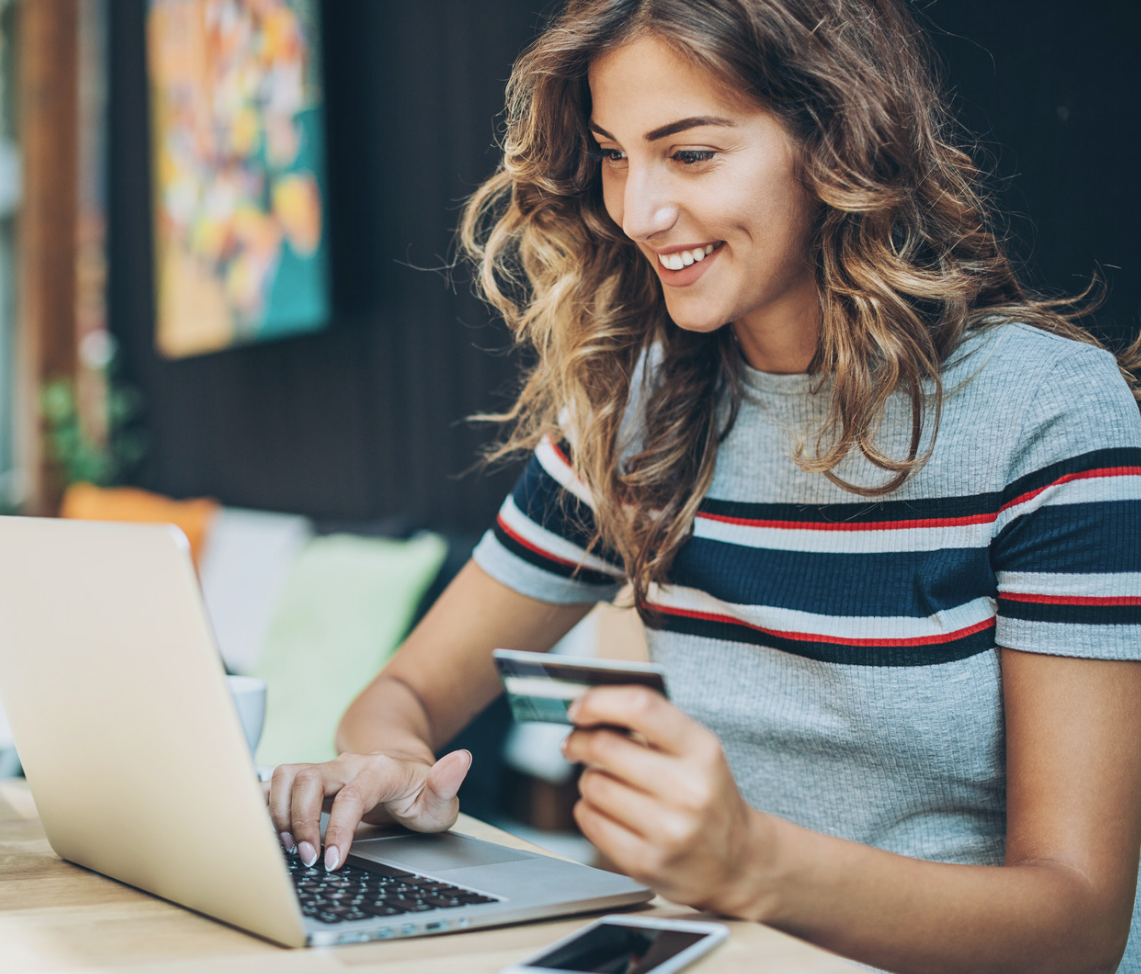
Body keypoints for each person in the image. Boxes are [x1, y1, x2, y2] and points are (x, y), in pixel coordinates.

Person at [266, 1, 1141, 970]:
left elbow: (1079, 924)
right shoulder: (634, 415)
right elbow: (404, 689)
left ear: (832, 138)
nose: (636, 209)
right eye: (612, 153)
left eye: (687, 155)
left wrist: (754, 862)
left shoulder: (1046, 412)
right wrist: (391, 761)